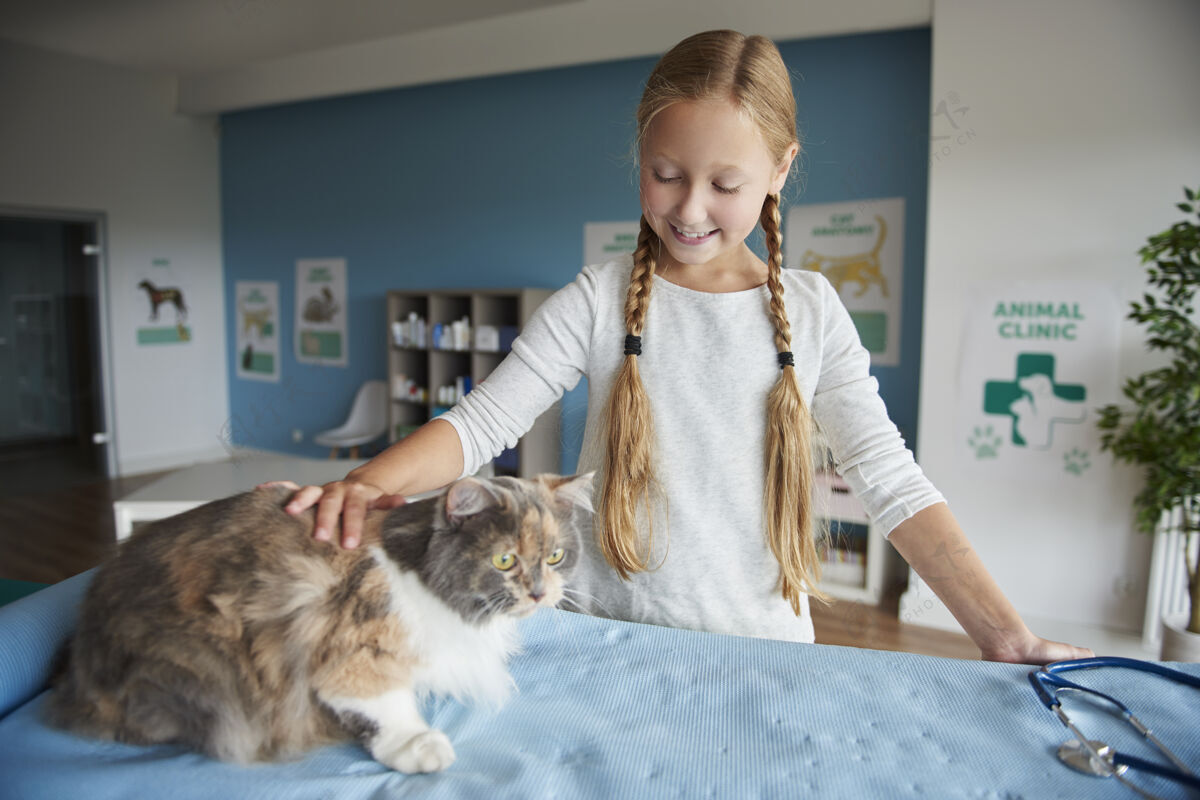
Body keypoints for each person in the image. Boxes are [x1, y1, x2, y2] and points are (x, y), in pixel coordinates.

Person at [280, 30, 1091, 664]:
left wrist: (1005, 634)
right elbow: (482, 424)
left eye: (725, 184)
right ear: (640, 155)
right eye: (665, 173)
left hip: (762, 655)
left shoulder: (810, 313)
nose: (690, 207)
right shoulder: (597, 301)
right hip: (597, 640)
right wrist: (368, 482)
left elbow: (892, 484)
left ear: (780, 169)